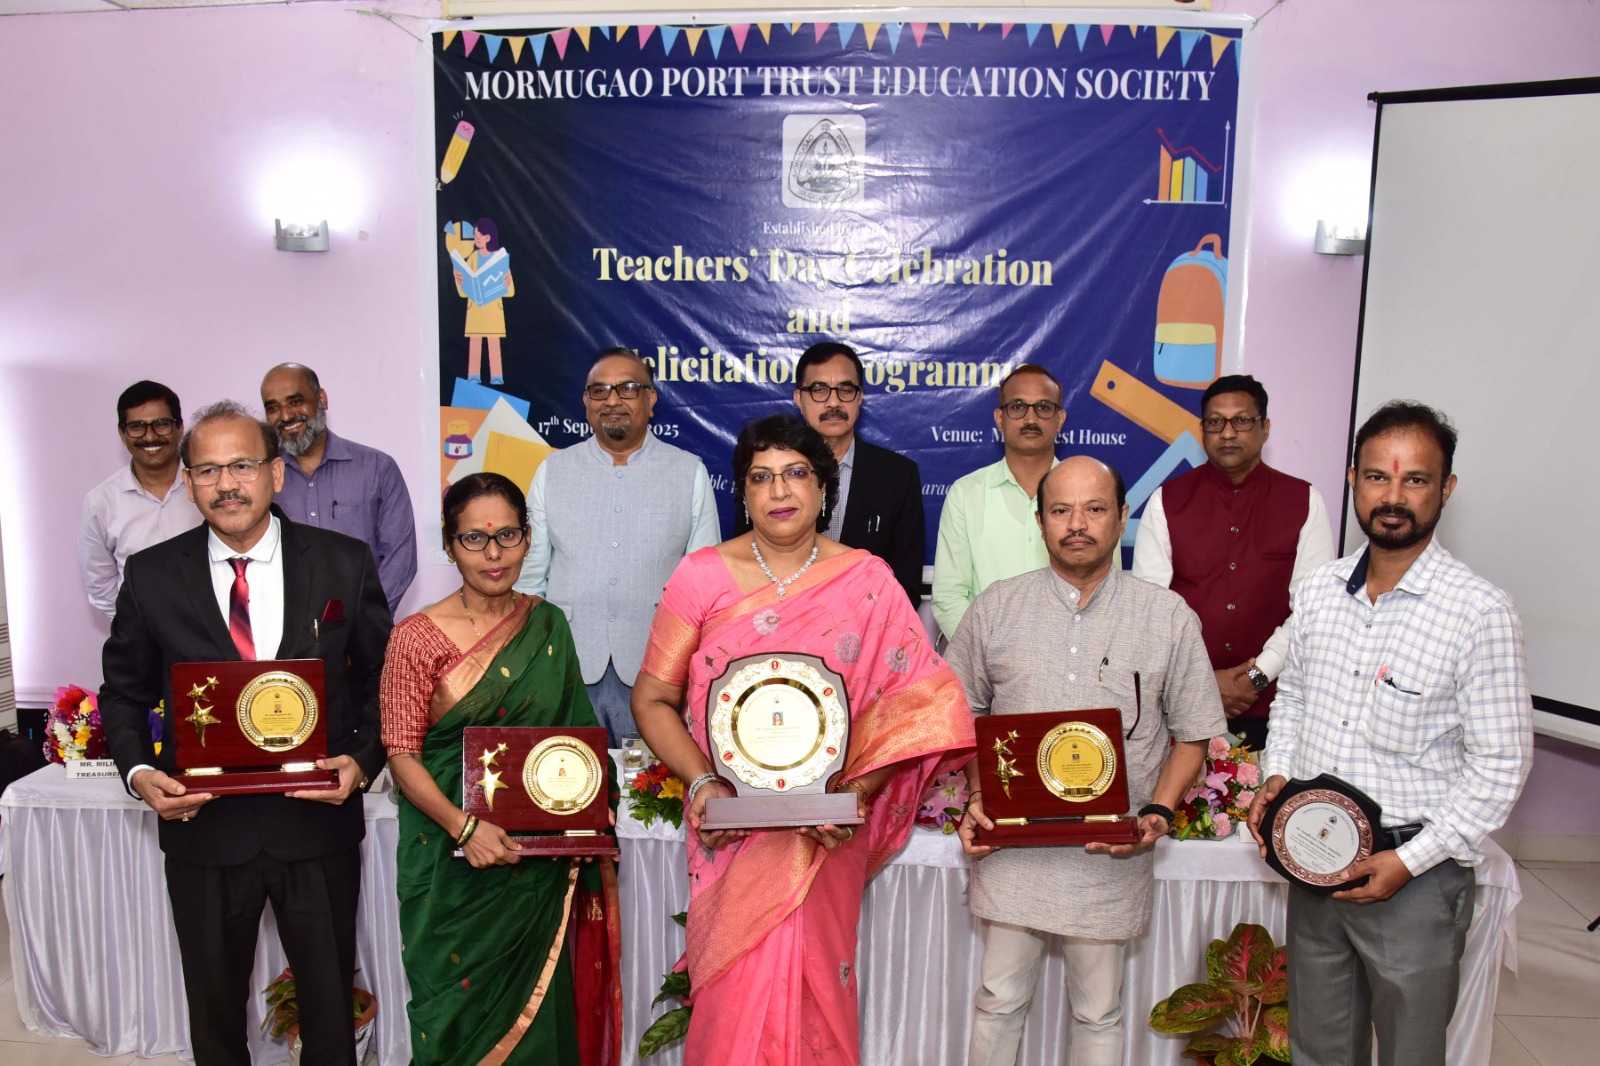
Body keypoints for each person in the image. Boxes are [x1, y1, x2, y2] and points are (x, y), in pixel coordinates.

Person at [632, 414, 975, 1065]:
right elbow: (650, 698)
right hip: (731, 830)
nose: (779, 490)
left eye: (796, 473)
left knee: (819, 985)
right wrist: (702, 781)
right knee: (734, 995)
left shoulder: (868, 580)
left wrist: (856, 795)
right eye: (761, 477)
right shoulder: (701, 576)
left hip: (826, 834)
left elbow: (919, 707)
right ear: (743, 493)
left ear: (823, 487)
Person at [100, 400, 392, 1066]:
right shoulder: (150, 574)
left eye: (242, 466)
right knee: (213, 1013)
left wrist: (360, 758)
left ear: (275, 473)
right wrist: (140, 774)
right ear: (188, 482)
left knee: (329, 1011)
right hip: (203, 826)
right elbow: (122, 692)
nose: (226, 484)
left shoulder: (343, 562)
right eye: (207, 470)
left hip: (315, 821)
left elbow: (383, 676)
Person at [1247, 402, 1532, 1066]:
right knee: (1319, 1047)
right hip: (1316, 859)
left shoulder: (1478, 612)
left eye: (1416, 480)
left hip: (1416, 877)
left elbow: (1501, 764)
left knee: (1409, 1051)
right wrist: (1278, 774)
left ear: (1446, 488)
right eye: (1377, 477)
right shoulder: (1319, 592)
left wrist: (1408, 861)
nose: (1393, 497)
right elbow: (1293, 702)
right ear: (1353, 480)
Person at [952, 456, 1225, 1066]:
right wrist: (979, 795)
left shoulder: (1166, 616)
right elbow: (962, 713)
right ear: (1040, 521)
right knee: (997, 1000)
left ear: (1123, 517)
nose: (1077, 524)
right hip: (1013, 849)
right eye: (1061, 510)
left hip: (1110, 850)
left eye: (1094, 508)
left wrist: (1159, 810)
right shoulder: (997, 608)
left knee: (1098, 1010)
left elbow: (1193, 733)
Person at [381, 472, 620, 1065]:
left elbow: (575, 733)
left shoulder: (548, 624)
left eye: (508, 536)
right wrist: (465, 829)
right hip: (449, 861)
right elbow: (401, 754)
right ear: (449, 545)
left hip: (533, 860)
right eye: (475, 539)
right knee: (453, 1014)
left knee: (538, 1010)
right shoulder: (415, 638)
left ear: (528, 538)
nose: (494, 554)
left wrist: (597, 806)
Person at [515, 347, 720, 747]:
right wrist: (535, 663)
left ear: (651, 399)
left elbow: (705, 589)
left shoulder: (688, 472)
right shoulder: (553, 471)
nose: (612, 400)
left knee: (652, 786)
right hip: (567, 668)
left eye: (627, 388)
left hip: (658, 673)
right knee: (568, 779)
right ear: (586, 402)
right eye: (600, 390)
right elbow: (529, 581)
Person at [1131, 375, 1334, 750]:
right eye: (1215, 422)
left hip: (1278, 710)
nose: (1227, 433)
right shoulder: (1167, 501)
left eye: (1241, 420)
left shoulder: (1303, 501)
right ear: (1202, 430)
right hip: (1182, 708)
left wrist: (1258, 676)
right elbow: (1150, 611)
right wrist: (1205, 683)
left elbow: (1314, 610)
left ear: (1264, 428)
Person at [733, 341, 925, 605]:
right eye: (819, 390)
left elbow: (905, 587)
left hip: (866, 624)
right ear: (799, 399)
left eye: (846, 390)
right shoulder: (766, 471)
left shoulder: (898, 475)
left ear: (860, 397)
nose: (833, 402)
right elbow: (743, 563)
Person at [261, 362, 418, 614]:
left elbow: (400, 559)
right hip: (283, 630)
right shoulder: (261, 477)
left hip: (363, 628)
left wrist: (364, 622)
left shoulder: (377, 467)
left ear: (321, 398)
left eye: (295, 401)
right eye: (273, 408)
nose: (286, 416)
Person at [931, 363, 1067, 640]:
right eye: (1018, 407)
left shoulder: (1090, 494)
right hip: (985, 658)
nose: (1031, 418)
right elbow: (949, 597)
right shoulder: (966, 494)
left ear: (1060, 419)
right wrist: (992, 655)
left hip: (1072, 657)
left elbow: (1104, 591)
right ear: (1000, 418)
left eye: (1043, 407)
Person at [79, 380, 201, 616]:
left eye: (161, 424)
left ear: (180, 428)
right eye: (137, 427)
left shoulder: (207, 484)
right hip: (142, 634)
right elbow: (101, 587)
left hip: (213, 630)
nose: (150, 437)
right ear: (122, 434)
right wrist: (134, 628)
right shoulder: (100, 502)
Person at [452, 216, 514, 385]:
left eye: (479, 235)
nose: (476, 239)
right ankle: (473, 375)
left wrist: (507, 282)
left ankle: (497, 377)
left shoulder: (499, 259)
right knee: (475, 343)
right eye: (475, 235)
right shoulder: (473, 257)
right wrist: (459, 280)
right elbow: (463, 293)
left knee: (494, 344)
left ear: (488, 237)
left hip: (493, 311)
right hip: (475, 310)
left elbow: (510, 292)